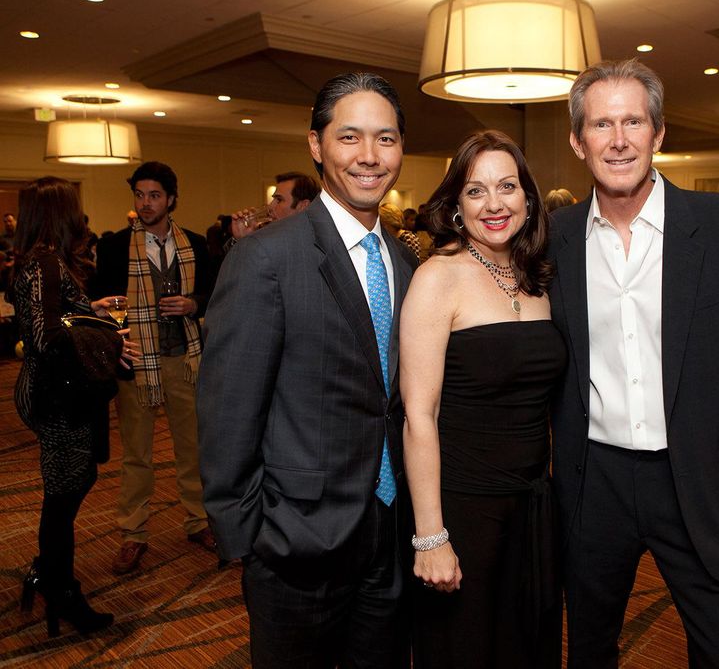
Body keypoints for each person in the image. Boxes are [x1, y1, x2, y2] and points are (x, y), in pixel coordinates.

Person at [547, 59, 719, 668]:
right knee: (589, 648)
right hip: (593, 482)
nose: (619, 140)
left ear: (658, 132)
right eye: (601, 124)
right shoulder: (554, 239)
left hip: (699, 480)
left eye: (633, 122)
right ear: (578, 141)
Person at [198, 72, 417, 669]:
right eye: (350, 137)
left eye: (386, 138)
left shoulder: (405, 260)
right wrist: (248, 539)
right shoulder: (266, 257)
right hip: (294, 542)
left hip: (390, 533)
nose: (369, 156)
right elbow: (228, 410)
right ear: (317, 145)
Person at [400, 130, 565, 669]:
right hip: (463, 507)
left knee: (526, 649)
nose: (494, 204)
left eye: (507, 187)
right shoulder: (437, 278)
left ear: (528, 199)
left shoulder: (538, 277)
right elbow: (418, 415)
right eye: (476, 191)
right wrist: (431, 536)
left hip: (533, 506)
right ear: (456, 206)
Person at [10, 177, 137, 636]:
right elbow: (46, 338)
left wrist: (89, 311)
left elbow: (52, 319)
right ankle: (59, 588)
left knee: (71, 484)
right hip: (57, 396)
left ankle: (49, 573)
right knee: (63, 495)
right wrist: (107, 340)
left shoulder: (40, 260)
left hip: (53, 391)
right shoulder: (44, 262)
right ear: (60, 214)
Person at [92, 161, 216, 575]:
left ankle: (199, 521)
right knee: (137, 454)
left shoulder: (194, 244)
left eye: (154, 196)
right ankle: (133, 533)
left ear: (171, 199)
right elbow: (100, 303)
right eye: (140, 195)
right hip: (136, 363)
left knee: (192, 449)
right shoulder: (114, 247)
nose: (146, 203)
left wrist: (192, 304)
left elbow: (215, 293)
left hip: (184, 360)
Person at [229, 171, 320, 242]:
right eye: (273, 199)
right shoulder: (269, 238)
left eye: (279, 200)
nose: (270, 206)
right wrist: (243, 240)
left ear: (303, 206)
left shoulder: (313, 246)